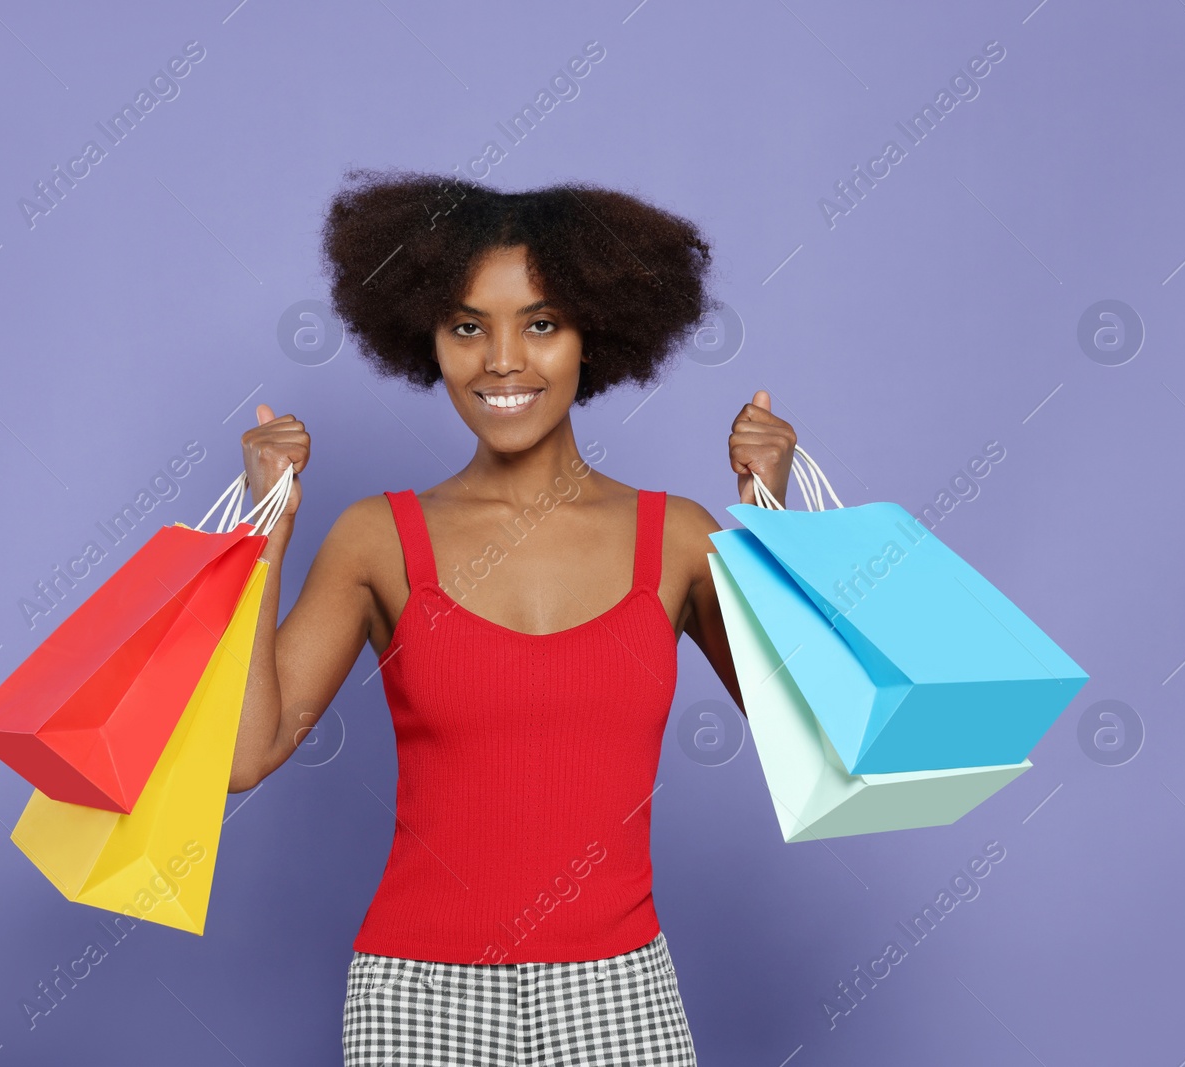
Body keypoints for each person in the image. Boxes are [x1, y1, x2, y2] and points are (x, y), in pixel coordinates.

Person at [229, 169, 798, 1066]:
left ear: (592, 335)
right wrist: (269, 527)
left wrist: (774, 522)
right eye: (467, 326)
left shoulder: (677, 537)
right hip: (416, 996)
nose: (502, 359)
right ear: (429, 338)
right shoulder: (379, 538)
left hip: (619, 992)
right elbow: (238, 755)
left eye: (540, 323)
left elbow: (810, 731)